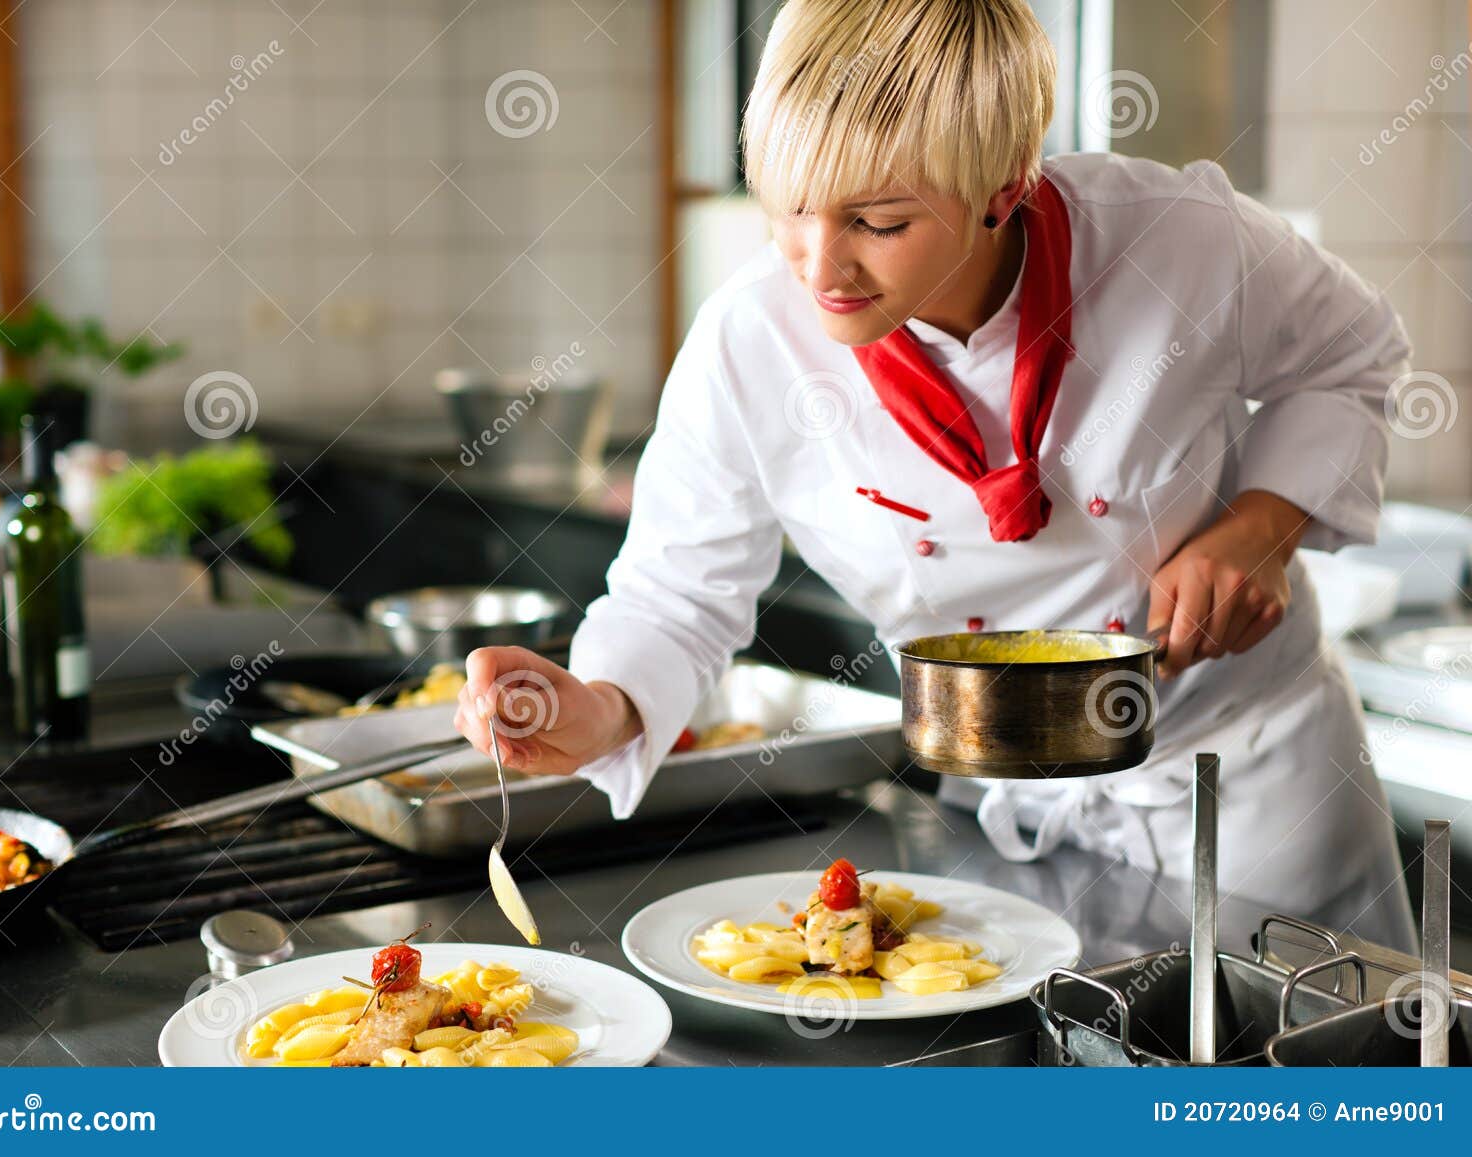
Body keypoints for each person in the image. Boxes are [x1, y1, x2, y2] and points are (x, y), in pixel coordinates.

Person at [454, 0, 1417, 950]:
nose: (818, 265)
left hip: (1252, 783)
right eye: (786, 206)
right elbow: (677, 596)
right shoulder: (750, 342)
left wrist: (1263, 524)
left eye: (876, 221)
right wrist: (595, 707)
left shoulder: (1179, 239)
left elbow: (1355, 355)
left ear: (1002, 188)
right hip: (1002, 802)